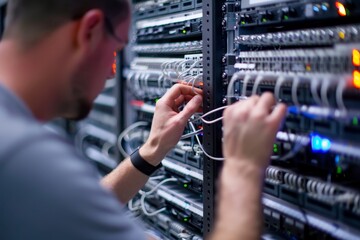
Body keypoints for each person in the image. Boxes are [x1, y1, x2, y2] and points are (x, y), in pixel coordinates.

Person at [0, 0, 287, 239]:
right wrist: (244, 169)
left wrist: (152, 150)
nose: (113, 73)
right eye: (114, 52)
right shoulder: (23, 154)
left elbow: (65, 212)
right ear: (90, 30)